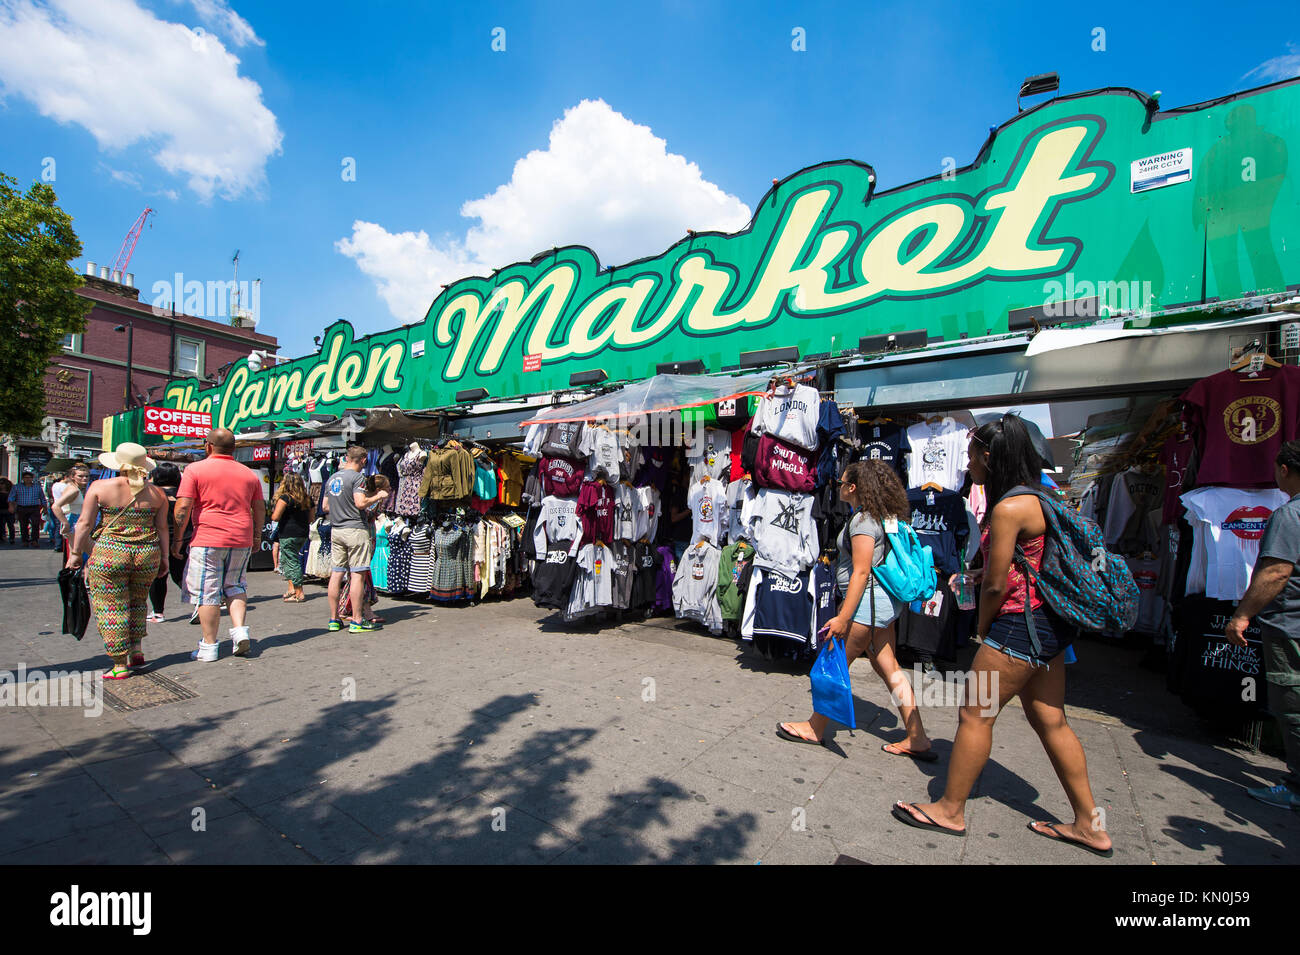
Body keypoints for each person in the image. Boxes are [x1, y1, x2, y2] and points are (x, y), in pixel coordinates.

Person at [893, 415, 1112, 856]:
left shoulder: (1008, 507)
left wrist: (981, 627)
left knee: (975, 714)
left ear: (989, 458)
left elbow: (996, 585)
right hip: (1050, 627)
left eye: (972, 455)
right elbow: (1020, 565)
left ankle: (950, 810)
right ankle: (1091, 825)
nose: (966, 464)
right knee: (1051, 719)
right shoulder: (1042, 496)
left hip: (1019, 628)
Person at [777, 460, 935, 758]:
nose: (837, 486)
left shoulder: (863, 521)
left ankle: (815, 727)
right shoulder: (882, 516)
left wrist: (842, 617)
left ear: (853, 487)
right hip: (882, 605)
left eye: (841, 482)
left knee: (833, 663)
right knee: (889, 667)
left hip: (865, 607)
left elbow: (861, 572)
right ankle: (918, 737)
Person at [1226, 440, 1300, 810]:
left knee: (1292, 704)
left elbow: (1276, 572)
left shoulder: (1290, 516)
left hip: (1291, 625)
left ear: (1284, 470)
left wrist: (1242, 614)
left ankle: (1297, 786)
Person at [65, 443, 169, 679]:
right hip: (147, 553)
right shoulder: (157, 494)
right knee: (138, 602)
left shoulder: (100, 487)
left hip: (110, 553)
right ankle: (137, 651)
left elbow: (84, 524)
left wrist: (75, 554)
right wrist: (165, 558)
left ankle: (119, 663)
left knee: (112, 606)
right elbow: (162, 528)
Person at [172, 429, 265, 662]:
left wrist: (177, 538)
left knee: (207, 591)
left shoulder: (194, 470)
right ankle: (240, 631)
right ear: (234, 448)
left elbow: (183, 507)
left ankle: (209, 646)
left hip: (208, 537)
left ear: (208, 446)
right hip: (241, 536)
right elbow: (260, 507)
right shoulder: (249, 474)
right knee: (235, 585)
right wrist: (256, 536)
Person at [324, 446, 387, 633]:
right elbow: (360, 503)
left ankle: (334, 619)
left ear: (347, 457)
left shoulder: (333, 478)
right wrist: (378, 496)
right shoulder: (357, 478)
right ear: (363, 460)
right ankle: (357, 620)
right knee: (357, 575)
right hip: (354, 529)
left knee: (336, 573)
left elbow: (326, 506)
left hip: (337, 529)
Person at [146, 463, 182, 622]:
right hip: (183, 538)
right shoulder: (183, 494)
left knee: (157, 576)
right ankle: (200, 604)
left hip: (158, 538)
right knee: (181, 574)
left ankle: (158, 612)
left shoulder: (153, 494)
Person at [271, 473, 315, 602]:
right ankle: (291, 589)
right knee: (287, 560)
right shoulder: (307, 499)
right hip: (302, 533)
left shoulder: (285, 498)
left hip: (288, 533)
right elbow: (311, 519)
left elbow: (275, 517)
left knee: (292, 561)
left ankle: (299, 592)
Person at [54, 464, 90, 561]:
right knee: (83, 553)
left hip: (75, 520)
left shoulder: (73, 488)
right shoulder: (74, 490)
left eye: (86, 476)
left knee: (75, 554)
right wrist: (65, 522)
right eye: (80, 476)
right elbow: (55, 506)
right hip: (74, 520)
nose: (84, 478)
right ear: (72, 477)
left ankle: (70, 574)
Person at [9, 469, 45, 547]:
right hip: (22, 508)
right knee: (23, 524)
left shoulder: (37, 487)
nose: (28, 479)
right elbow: (11, 498)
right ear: (23, 478)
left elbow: (42, 498)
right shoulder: (17, 487)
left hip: (34, 508)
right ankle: (25, 540)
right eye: (26, 477)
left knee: (35, 524)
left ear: (32, 478)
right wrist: (11, 506)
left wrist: (45, 508)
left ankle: (34, 540)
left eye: (29, 477)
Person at [0, 477, 14, 544]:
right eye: (0, 483)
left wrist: (13, 508)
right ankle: (3, 536)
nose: (1, 485)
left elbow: (14, 501)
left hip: (9, 510)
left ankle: (11, 538)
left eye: (3, 483)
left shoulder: (11, 492)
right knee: (1, 525)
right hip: (1, 509)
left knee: (10, 524)